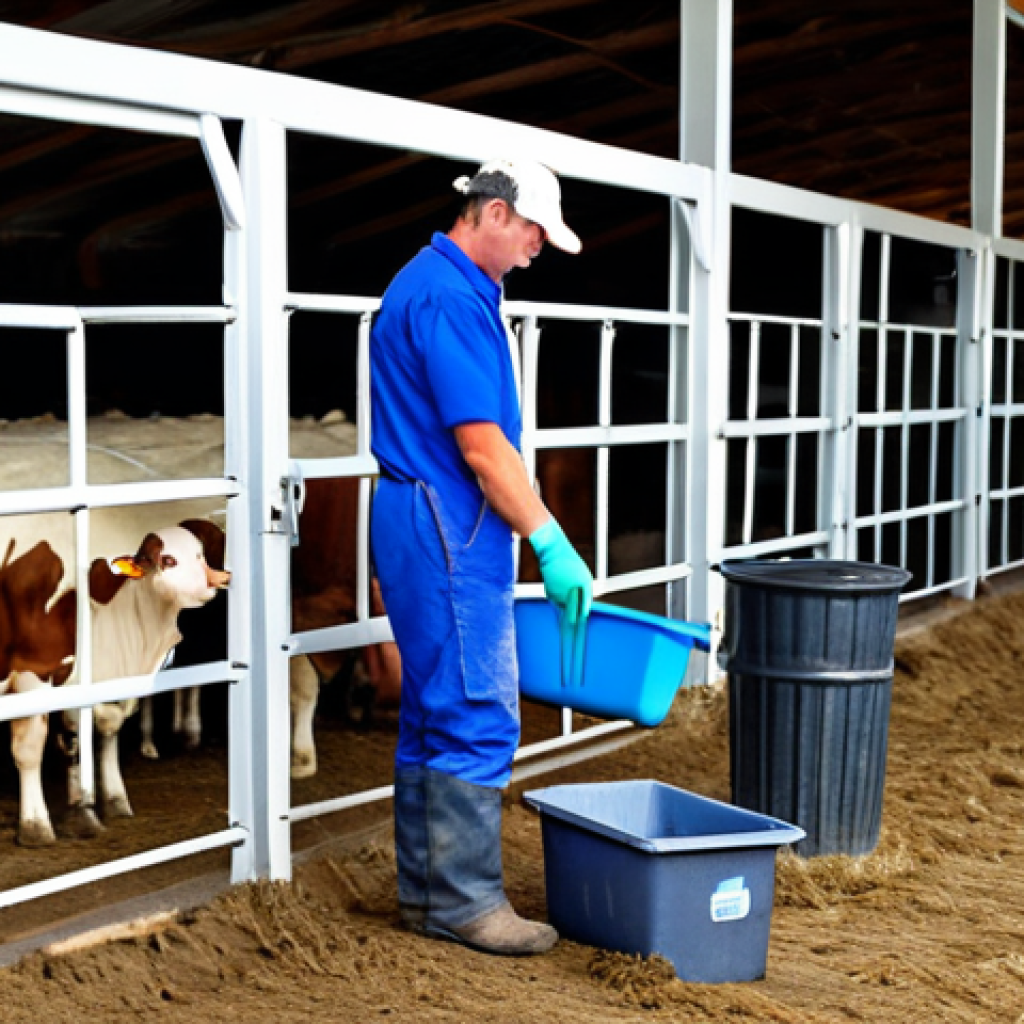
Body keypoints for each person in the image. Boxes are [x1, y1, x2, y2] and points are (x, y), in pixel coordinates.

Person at [369, 158, 594, 956]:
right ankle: (464, 902)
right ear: (494, 214)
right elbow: (482, 446)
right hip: (447, 518)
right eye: (534, 231)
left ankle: (428, 895)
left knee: (434, 707)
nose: (537, 248)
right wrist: (551, 539)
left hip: (420, 511)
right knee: (475, 704)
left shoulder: (439, 284)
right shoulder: (449, 298)